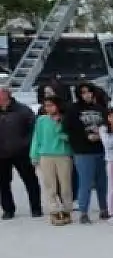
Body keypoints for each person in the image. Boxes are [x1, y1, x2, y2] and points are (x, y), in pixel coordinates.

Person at [64, 82, 110, 223]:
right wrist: (85, 137)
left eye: (89, 91)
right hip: (83, 152)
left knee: (103, 182)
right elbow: (69, 129)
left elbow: (107, 126)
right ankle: (83, 212)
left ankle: (105, 209)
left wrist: (101, 135)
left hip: (101, 150)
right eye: (83, 92)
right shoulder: (73, 109)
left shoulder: (100, 109)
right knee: (85, 183)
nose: (87, 95)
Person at [30, 96, 73, 226]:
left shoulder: (65, 119)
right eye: (46, 106)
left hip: (63, 155)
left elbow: (68, 136)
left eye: (51, 105)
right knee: (50, 186)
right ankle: (54, 211)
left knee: (65, 185)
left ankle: (66, 210)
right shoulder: (41, 120)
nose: (49, 108)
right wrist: (34, 155)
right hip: (45, 155)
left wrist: (59, 125)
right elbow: (36, 138)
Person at [0, 86, 42, 219]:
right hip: (1, 153)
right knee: (3, 183)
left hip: (21, 152)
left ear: (7, 95)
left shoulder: (23, 110)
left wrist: (26, 144)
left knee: (30, 180)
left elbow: (34, 129)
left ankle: (36, 208)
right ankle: (8, 209)